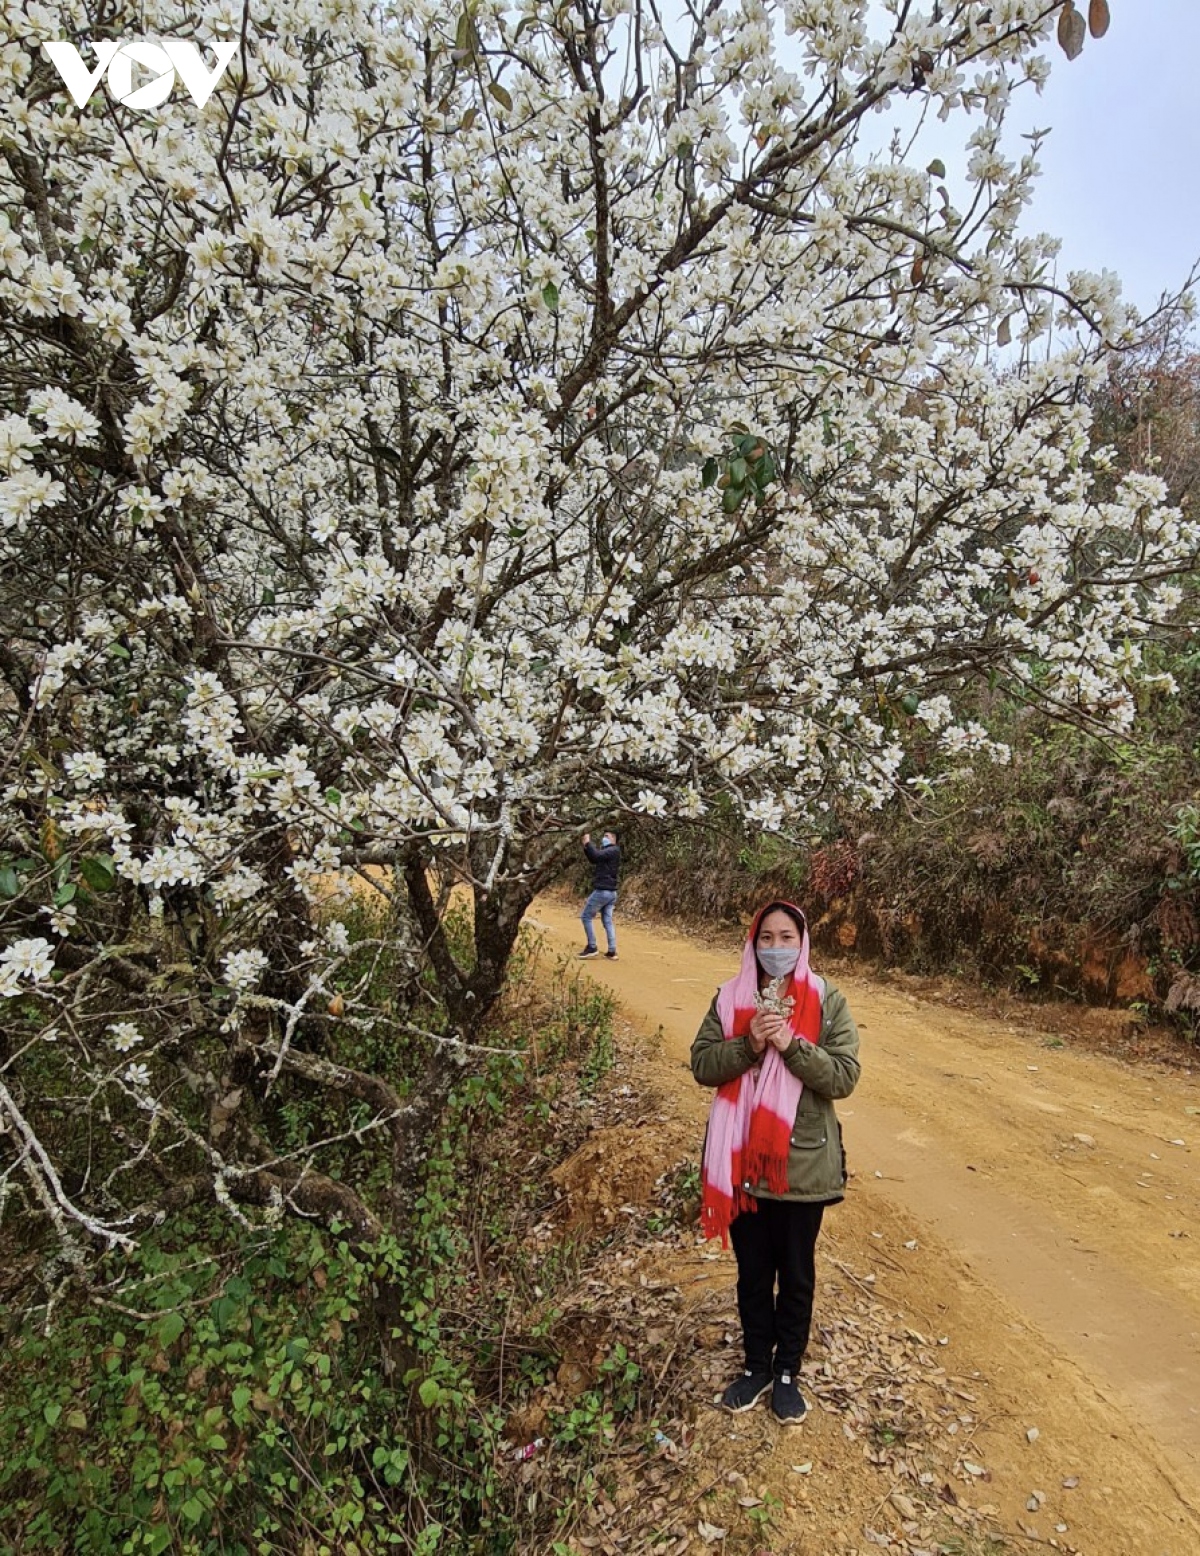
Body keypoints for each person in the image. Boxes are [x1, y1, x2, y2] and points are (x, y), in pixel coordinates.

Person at [690, 900, 860, 1426]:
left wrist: (791, 1044)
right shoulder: (730, 997)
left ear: (802, 942)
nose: (777, 948)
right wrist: (749, 1043)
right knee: (753, 1274)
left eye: (787, 937)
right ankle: (755, 1366)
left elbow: (844, 1077)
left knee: (797, 1274)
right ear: (753, 942)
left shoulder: (827, 1000)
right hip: (742, 1163)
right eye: (767, 938)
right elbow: (701, 1063)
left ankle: (787, 1371)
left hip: (801, 1166)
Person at [579, 827, 620, 960]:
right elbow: (594, 859)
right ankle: (612, 951)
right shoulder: (610, 852)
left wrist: (588, 842)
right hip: (611, 893)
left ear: (614, 839)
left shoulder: (612, 850)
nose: (604, 838)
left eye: (607, 836)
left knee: (586, 916)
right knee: (607, 921)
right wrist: (586, 846)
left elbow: (596, 855)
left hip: (603, 891)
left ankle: (592, 947)